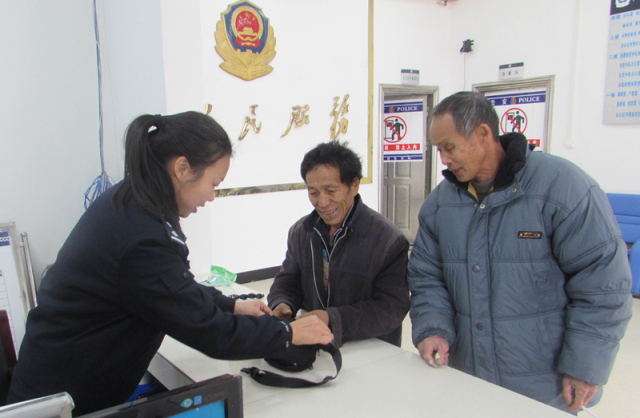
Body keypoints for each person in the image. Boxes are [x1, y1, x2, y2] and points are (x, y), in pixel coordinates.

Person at [7, 111, 332, 414]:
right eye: (213, 184)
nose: (211, 196)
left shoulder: (135, 201)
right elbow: (211, 333)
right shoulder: (141, 235)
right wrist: (286, 333)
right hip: (60, 403)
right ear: (182, 169)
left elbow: (174, 287)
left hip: (61, 382)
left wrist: (231, 306)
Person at [408, 91, 633, 413]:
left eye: (449, 147)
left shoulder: (562, 188)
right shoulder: (441, 204)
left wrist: (585, 365)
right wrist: (433, 329)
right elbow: (427, 278)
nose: (443, 159)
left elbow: (603, 286)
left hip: (546, 384)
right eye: (438, 149)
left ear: (483, 134)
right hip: (469, 378)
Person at [268, 141, 410, 347]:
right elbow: (288, 280)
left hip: (372, 349)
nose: (322, 202)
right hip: (316, 345)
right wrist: (282, 303)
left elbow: (391, 309)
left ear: (354, 185)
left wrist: (331, 318)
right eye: (313, 192)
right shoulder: (302, 232)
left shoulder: (388, 240)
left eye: (331, 190)